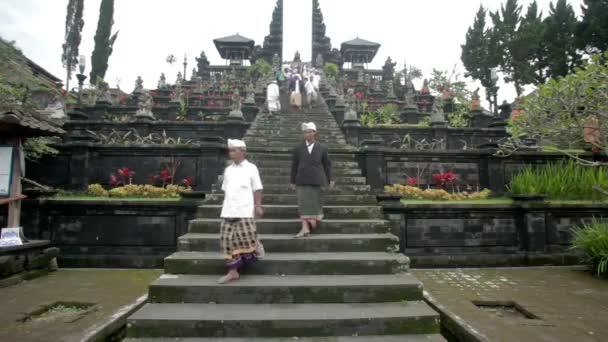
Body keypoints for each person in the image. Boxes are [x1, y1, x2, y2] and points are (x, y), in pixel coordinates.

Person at [218, 139, 264, 284]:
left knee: (246, 239)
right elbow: (226, 190)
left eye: (234, 150)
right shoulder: (228, 170)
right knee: (226, 241)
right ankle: (233, 272)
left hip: (244, 210)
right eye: (230, 151)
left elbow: (257, 188)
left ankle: (255, 244)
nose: (231, 153)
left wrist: (258, 206)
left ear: (242, 151)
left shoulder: (251, 168)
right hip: (228, 211)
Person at [290, 122, 334, 238]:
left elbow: (327, 165)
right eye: (305, 132)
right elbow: (294, 165)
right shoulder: (298, 148)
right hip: (302, 179)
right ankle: (305, 228)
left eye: (309, 132)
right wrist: (292, 180)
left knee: (315, 204)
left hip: (317, 179)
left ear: (315, 133)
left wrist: (330, 179)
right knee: (303, 204)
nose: (307, 134)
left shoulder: (322, 148)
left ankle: (311, 223)